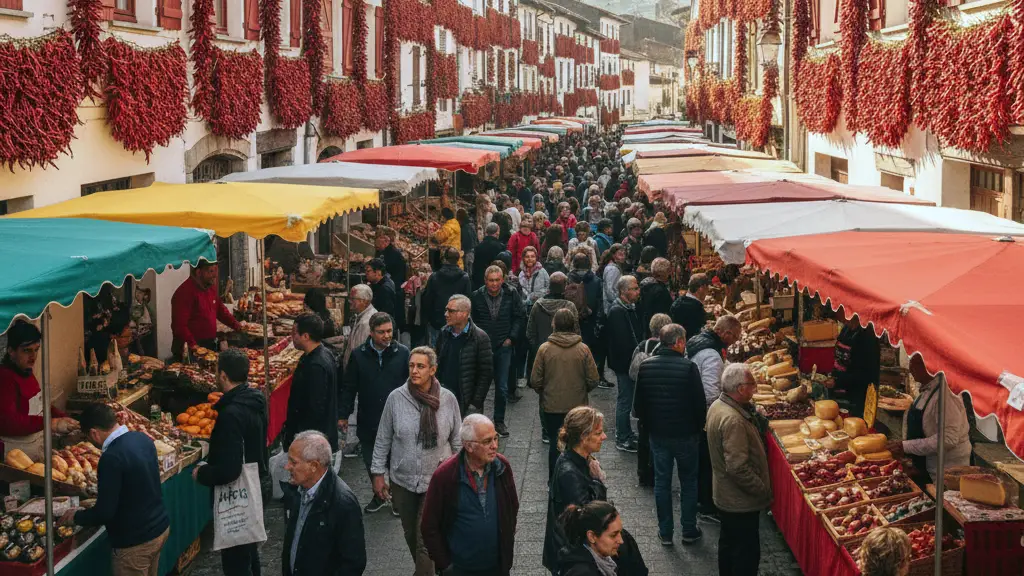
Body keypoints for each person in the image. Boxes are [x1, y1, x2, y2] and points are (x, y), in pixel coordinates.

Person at [371, 347, 463, 576]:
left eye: (420, 366)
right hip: (403, 480)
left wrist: (462, 473)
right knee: (411, 534)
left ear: (433, 370)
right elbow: (383, 438)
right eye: (411, 365)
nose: (414, 371)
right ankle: (432, 568)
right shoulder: (396, 398)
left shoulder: (448, 399)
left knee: (424, 539)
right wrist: (378, 473)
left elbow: (457, 440)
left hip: (436, 480)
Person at [59, 403, 169, 576]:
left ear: (94, 433)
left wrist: (76, 517)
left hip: (135, 543)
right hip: (159, 528)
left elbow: (104, 512)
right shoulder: (141, 438)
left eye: (87, 437)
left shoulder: (111, 457)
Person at [193, 348, 269, 576]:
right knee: (249, 553)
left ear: (223, 375)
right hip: (255, 484)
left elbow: (229, 470)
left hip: (237, 498)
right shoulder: (255, 401)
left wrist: (202, 473)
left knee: (237, 561)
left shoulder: (230, 414)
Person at [634, 324, 707, 546]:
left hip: (658, 435)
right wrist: (697, 428)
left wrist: (649, 426)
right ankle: (689, 529)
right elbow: (699, 404)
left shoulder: (646, 366)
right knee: (689, 482)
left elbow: (638, 406)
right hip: (686, 435)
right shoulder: (689, 368)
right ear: (679, 342)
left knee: (662, 482)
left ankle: (665, 532)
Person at [421, 414, 520, 576]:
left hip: (497, 567)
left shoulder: (502, 466)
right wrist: (445, 565)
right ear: (469, 446)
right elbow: (429, 526)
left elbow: (512, 506)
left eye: (495, 438)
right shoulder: (445, 476)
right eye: (487, 441)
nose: (495, 446)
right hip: (460, 569)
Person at [339, 311, 410, 513]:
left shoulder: (403, 353)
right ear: (371, 332)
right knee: (371, 461)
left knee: (395, 462)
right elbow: (349, 386)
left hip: (396, 419)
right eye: (381, 332)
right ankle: (379, 494)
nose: (387, 336)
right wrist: (343, 414)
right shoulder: (358, 355)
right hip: (369, 418)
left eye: (389, 331)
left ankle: (396, 498)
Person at [706, 363, 772, 576]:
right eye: (752, 385)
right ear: (741, 388)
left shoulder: (718, 406)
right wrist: (761, 489)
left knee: (728, 546)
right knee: (745, 555)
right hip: (739, 501)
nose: (755, 389)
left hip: (726, 495)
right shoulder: (733, 420)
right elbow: (737, 467)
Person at [283, 430, 367, 576]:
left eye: (293, 462)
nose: (287, 467)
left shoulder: (343, 503)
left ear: (314, 466)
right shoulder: (297, 489)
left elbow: (353, 563)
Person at [531, 308, 599, 476]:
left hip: (552, 405)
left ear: (554, 324)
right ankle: (577, 477)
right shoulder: (583, 349)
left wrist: (545, 392)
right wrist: (581, 390)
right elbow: (593, 379)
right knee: (577, 444)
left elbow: (535, 380)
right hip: (577, 408)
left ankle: (554, 480)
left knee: (555, 443)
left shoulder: (544, 349)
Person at [686, 314, 741, 520]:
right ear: (724, 333)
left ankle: (700, 499)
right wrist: (718, 413)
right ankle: (706, 504)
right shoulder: (712, 354)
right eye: (734, 337)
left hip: (693, 409)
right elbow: (710, 391)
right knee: (708, 460)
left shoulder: (699, 340)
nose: (734, 342)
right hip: (703, 416)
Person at [886, 354, 971, 485]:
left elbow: (948, 439)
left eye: (915, 364)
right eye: (910, 363)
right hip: (923, 466)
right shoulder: (927, 389)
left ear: (929, 366)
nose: (910, 368)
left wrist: (906, 446)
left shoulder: (946, 396)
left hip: (943, 471)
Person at [543, 406, 608, 573]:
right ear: (583, 437)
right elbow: (590, 515)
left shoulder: (576, 459)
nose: (604, 437)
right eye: (598, 433)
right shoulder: (570, 472)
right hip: (571, 555)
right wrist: (598, 481)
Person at [0, 321, 78, 442]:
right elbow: (7, 422)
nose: (33, 356)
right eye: (27, 350)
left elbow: (40, 406)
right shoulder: (5, 378)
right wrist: (49, 422)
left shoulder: (26, 372)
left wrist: (61, 417)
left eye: (36, 350)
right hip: (15, 447)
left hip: (35, 442)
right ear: (11, 351)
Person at [470, 265, 525, 438]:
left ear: (502, 280)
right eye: (491, 280)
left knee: (501, 387)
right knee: (480, 386)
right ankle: (479, 423)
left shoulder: (511, 294)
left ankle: (499, 421)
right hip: (483, 347)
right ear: (485, 281)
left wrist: (511, 338)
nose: (494, 284)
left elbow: (519, 316)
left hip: (503, 346)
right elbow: (473, 321)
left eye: (497, 280)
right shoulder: (477, 296)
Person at [284, 314, 339, 454]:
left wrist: (301, 438)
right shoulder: (322, 354)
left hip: (312, 442)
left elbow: (315, 408)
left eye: (294, 333)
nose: (292, 337)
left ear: (305, 336)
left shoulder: (316, 365)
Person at [630, 313, 673, 487]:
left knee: (644, 438)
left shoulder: (643, 345)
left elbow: (633, 372)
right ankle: (658, 471)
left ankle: (643, 472)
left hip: (645, 398)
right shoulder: (670, 348)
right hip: (662, 399)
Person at [170, 260, 242, 359]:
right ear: (199, 272)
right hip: (188, 350)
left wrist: (237, 325)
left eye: (216, 271)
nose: (215, 275)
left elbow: (220, 310)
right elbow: (179, 326)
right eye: (211, 271)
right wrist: (194, 346)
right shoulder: (184, 292)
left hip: (208, 345)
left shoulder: (210, 288)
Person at [435, 295, 493, 416]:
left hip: (466, 402)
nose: (446, 314)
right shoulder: (444, 333)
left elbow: (485, 374)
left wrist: (475, 403)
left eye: (451, 311)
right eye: (446, 310)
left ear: (465, 313)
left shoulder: (480, 338)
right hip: (444, 397)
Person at [606, 276, 642, 453]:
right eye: (634, 288)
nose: (638, 291)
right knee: (625, 400)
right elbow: (622, 342)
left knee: (627, 398)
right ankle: (622, 437)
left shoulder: (628, 308)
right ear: (624, 291)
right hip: (624, 364)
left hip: (627, 362)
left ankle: (626, 432)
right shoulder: (618, 311)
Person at [555, 501, 624, 576]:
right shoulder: (583, 573)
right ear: (592, 537)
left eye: (621, 532)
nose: (621, 541)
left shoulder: (606, 557)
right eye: (613, 535)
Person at [421, 247, 473, 348]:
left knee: (436, 351)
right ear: (458, 259)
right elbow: (468, 301)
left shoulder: (434, 277)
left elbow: (427, 300)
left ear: (445, 259)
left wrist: (426, 320)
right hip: (458, 322)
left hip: (437, 321)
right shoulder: (465, 278)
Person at [833, 314, 882, 418]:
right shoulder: (846, 329)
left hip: (857, 396)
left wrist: (837, 381)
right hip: (842, 389)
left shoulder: (868, 337)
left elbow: (864, 375)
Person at [341, 284, 377, 368]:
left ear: (364, 301)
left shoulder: (366, 322)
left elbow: (360, 353)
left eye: (353, 299)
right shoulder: (361, 315)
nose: (349, 301)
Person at [670, 273, 711, 344]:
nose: (707, 292)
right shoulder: (697, 308)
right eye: (707, 288)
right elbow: (700, 334)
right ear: (701, 288)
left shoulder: (678, 301)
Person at [638, 258, 673, 338]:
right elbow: (663, 315)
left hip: (646, 327)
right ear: (665, 273)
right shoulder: (661, 291)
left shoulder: (645, 285)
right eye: (669, 270)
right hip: (658, 330)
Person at [365, 258, 401, 332]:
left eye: (368, 271)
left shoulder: (384, 289)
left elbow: (385, 313)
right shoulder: (383, 282)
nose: (366, 273)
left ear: (378, 272)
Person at [473, 222, 506, 290]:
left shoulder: (478, 247)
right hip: (495, 280)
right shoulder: (500, 247)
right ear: (497, 233)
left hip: (479, 280)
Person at [375, 226, 408, 291]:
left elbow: (384, 270)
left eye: (379, 237)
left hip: (393, 288)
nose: (376, 241)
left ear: (387, 240)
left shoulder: (393, 254)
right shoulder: (380, 251)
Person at [599, 244, 626, 315]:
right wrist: (620, 303)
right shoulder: (612, 269)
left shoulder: (614, 267)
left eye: (624, 254)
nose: (623, 257)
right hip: (612, 308)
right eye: (620, 254)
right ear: (613, 255)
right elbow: (609, 291)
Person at [457, 208, 477, 275]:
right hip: (472, 251)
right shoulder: (471, 225)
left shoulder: (463, 228)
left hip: (466, 252)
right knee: (470, 270)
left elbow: (464, 241)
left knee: (467, 271)